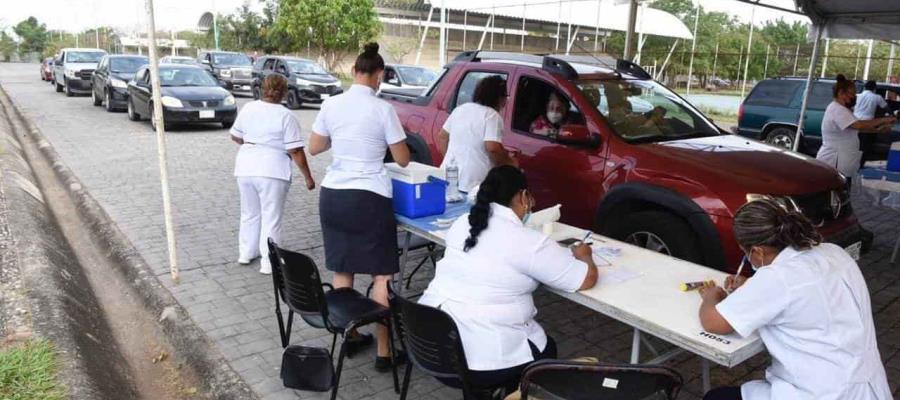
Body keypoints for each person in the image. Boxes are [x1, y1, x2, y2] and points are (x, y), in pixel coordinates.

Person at [419, 166, 599, 392]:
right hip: (480, 360)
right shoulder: (527, 241)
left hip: (432, 347)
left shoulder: (463, 223)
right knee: (547, 348)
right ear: (524, 196)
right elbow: (585, 279)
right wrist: (585, 256)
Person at [698, 198, 891, 400]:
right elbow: (809, 296)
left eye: (746, 254)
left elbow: (713, 323)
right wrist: (751, 288)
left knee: (716, 397)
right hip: (867, 387)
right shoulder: (833, 252)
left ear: (757, 251)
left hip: (823, 393)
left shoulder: (778, 277)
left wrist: (711, 297)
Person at [308, 42, 410, 371]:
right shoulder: (384, 109)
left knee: (343, 268)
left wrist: (344, 139)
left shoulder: (332, 104)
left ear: (354, 72)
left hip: (334, 195)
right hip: (369, 198)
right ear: (378, 75)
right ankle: (384, 353)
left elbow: (315, 147)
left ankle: (350, 337)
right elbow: (403, 160)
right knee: (382, 276)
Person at [231, 74, 315, 275]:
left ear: (263, 88)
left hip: (245, 167)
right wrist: (308, 177)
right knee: (271, 217)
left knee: (249, 213)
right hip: (273, 170)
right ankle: (269, 263)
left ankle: (246, 253)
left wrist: (254, 144)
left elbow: (235, 136)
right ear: (284, 92)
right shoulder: (287, 116)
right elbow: (295, 150)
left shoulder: (249, 108)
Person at [437, 75, 517, 193]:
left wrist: (455, 161)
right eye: (506, 96)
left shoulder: (461, 109)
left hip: (448, 178)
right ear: (499, 98)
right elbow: (493, 148)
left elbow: (442, 137)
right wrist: (509, 164)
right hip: (473, 184)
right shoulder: (492, 116)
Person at [816, 74, 895, 183]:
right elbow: (859, 125)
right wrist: (884, 120)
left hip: (843, 159)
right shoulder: (837, 109)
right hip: (835, 161)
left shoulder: (844, 109)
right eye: (851, 94)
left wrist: (877, 130)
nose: (854, 97)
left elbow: (854, 129)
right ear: (841, 93)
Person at [854, 80, 891, 169]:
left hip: (854, 123)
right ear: (874, 89)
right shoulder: (876, 97)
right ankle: (860, 165)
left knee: (855, 146)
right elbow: (886, 108)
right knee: (865, 146)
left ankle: (854, 164)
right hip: (868, 125)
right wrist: (892, 115)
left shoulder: (857, 96)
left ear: (865, 87)